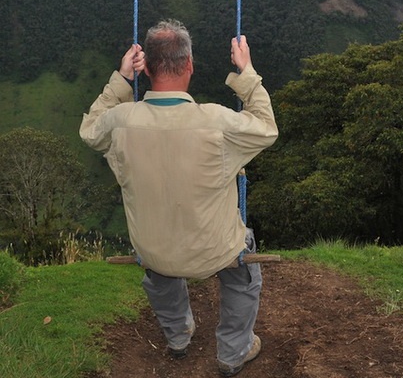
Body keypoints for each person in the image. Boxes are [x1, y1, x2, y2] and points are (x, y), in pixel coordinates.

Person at [79, 19, 278, 377]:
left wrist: (122, 81)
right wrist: (246, 72)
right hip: (214, 252)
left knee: (159, 268)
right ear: (189, 66)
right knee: (243, 269)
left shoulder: (121, 121)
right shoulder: (217, 122)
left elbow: (90, 130)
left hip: (153, 251)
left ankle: (178, 337)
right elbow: (266, 126)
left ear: (147, 68)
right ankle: (234, 352)